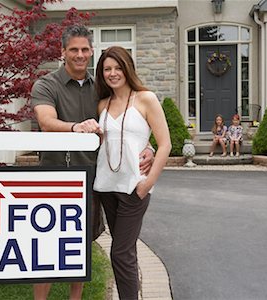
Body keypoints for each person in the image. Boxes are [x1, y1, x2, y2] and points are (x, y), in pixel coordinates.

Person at [31, 25, 154, 300]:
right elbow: (46, 122)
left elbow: (124, 121)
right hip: (53, 179)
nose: (80, 54)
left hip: (90, 180)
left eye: (85, 49)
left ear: (91, 51)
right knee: (47, 247)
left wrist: (148, 145)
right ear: (62, 52)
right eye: (73, 49)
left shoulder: (100, 88)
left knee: (79, 246)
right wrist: (76, 128)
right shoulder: (46, 85)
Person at [93, 46, 171, 300]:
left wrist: (147, 184)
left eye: (117, 68)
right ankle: (132, 290)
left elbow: (165, 144)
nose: (113, 73)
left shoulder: (145, 98)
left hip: (133, 188)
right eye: (107, 69)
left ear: (127, 69)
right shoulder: (103, 104)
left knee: (119, 253)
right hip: (106, 186)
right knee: (125, 252)